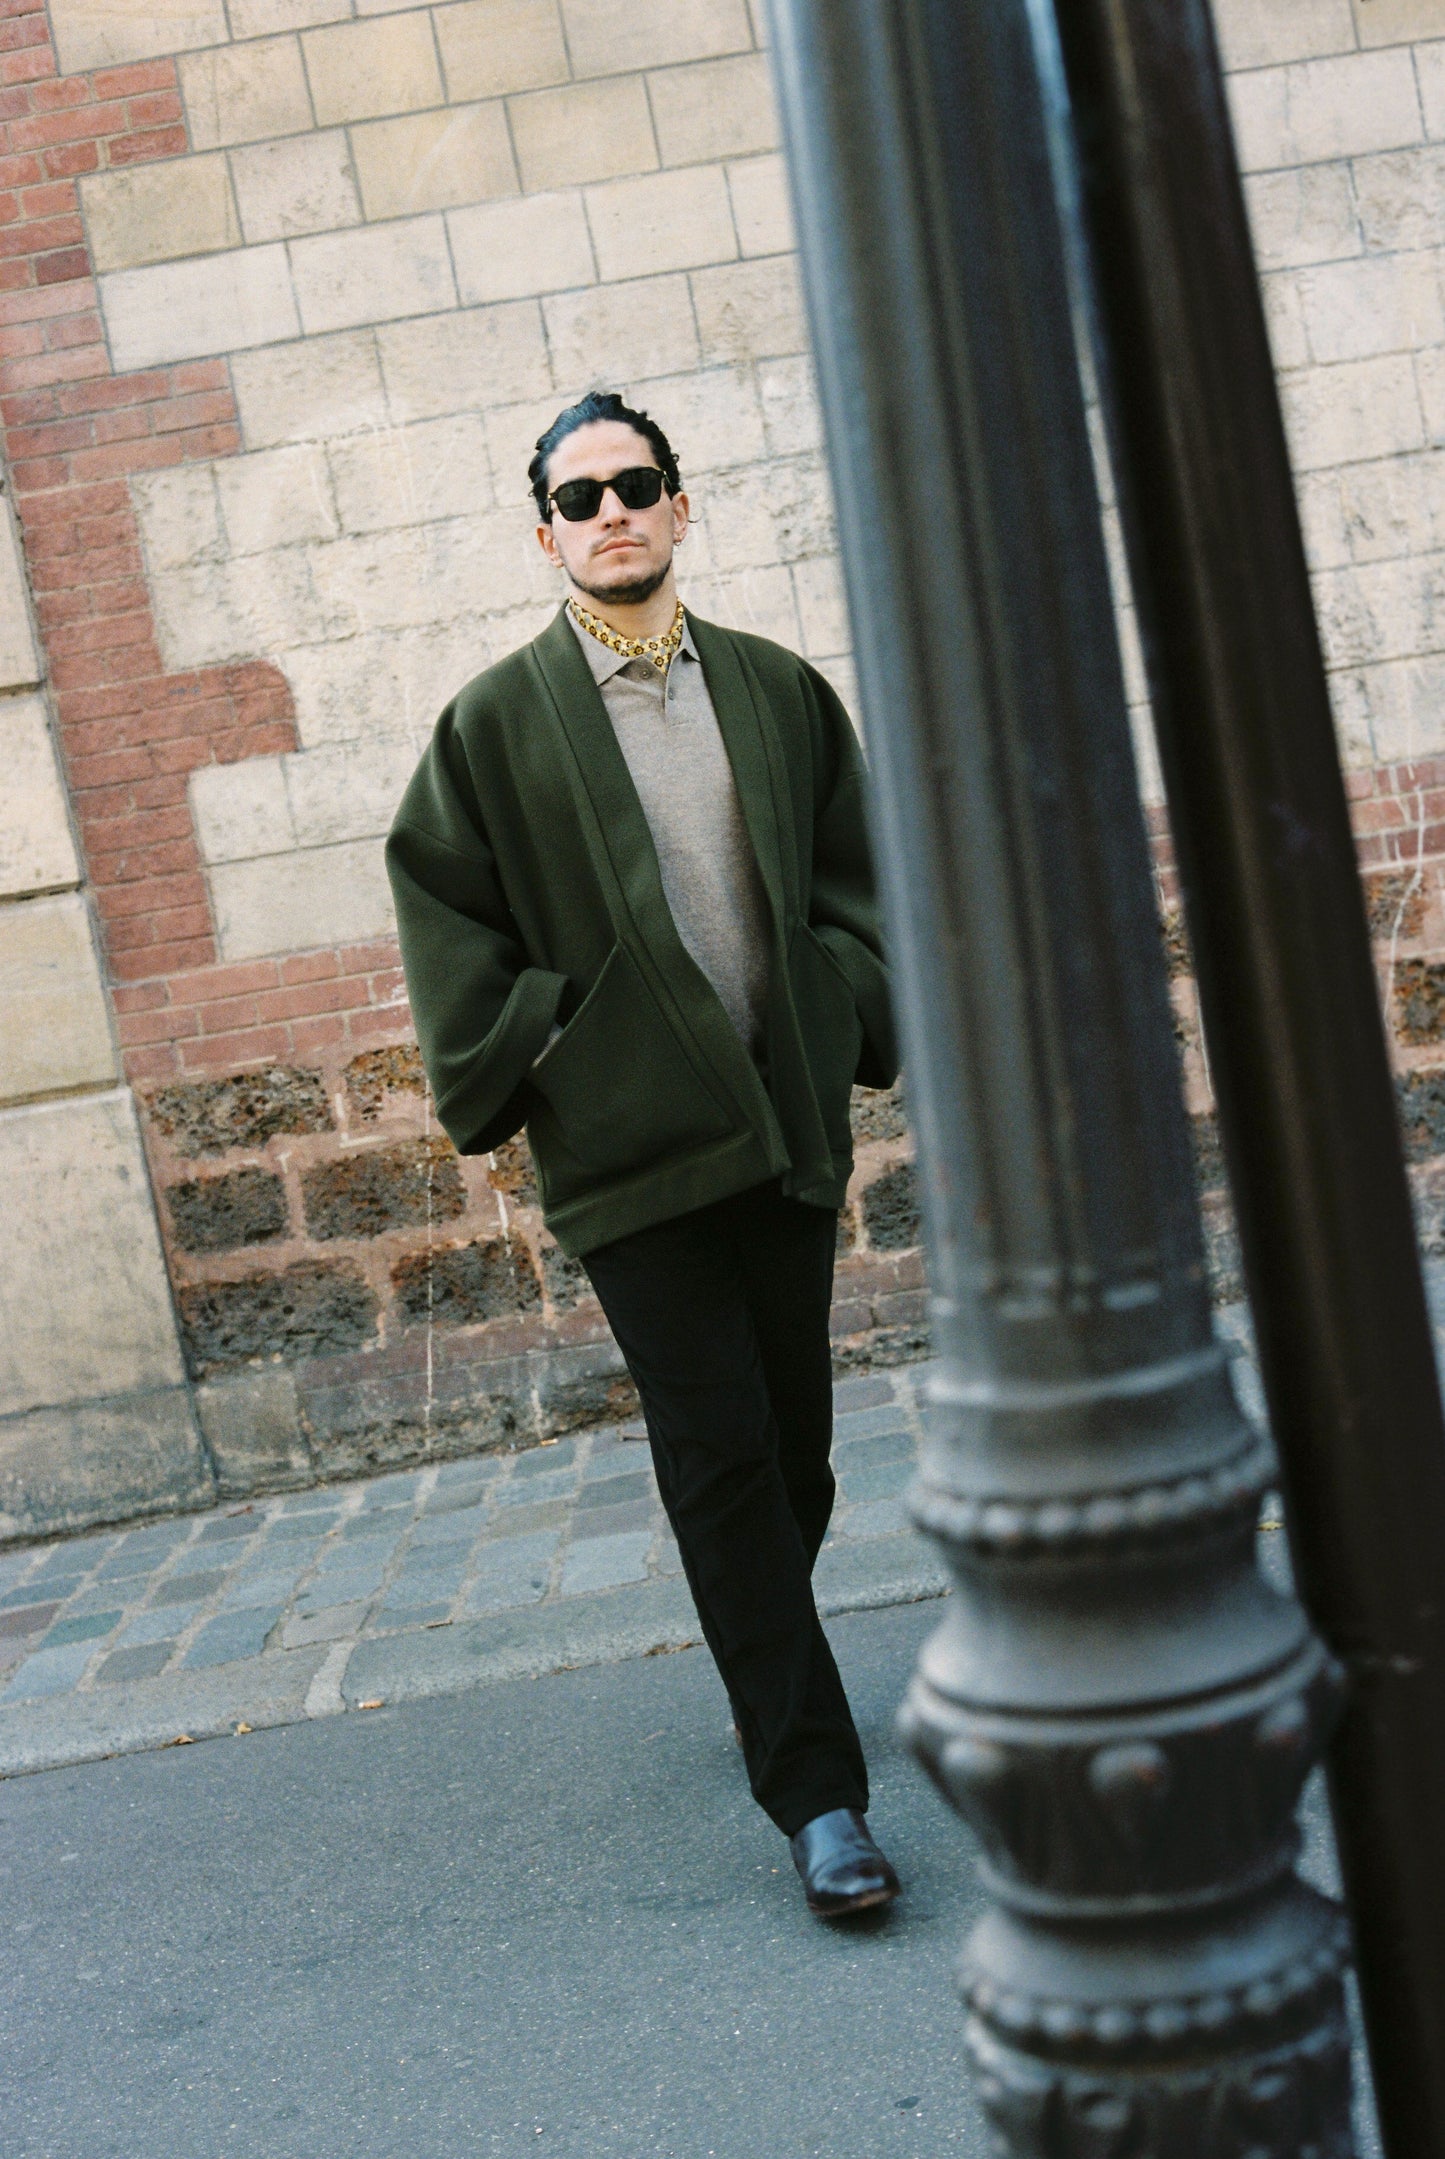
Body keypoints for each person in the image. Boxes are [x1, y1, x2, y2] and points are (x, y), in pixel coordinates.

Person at [386, 390, 901, 1919]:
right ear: (544, 533)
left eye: (635, 484)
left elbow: (855, 883)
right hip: (630, 1162)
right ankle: (816, 1795)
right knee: (721, 1459)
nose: (609, 511)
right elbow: (444, 909)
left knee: (792, 1451)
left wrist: (839, 1000)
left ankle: (761, 1657)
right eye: (578, 495)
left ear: (680, 505)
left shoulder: (774, 689)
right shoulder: (492, 724)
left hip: (782, 1128)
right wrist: (559, 1048)